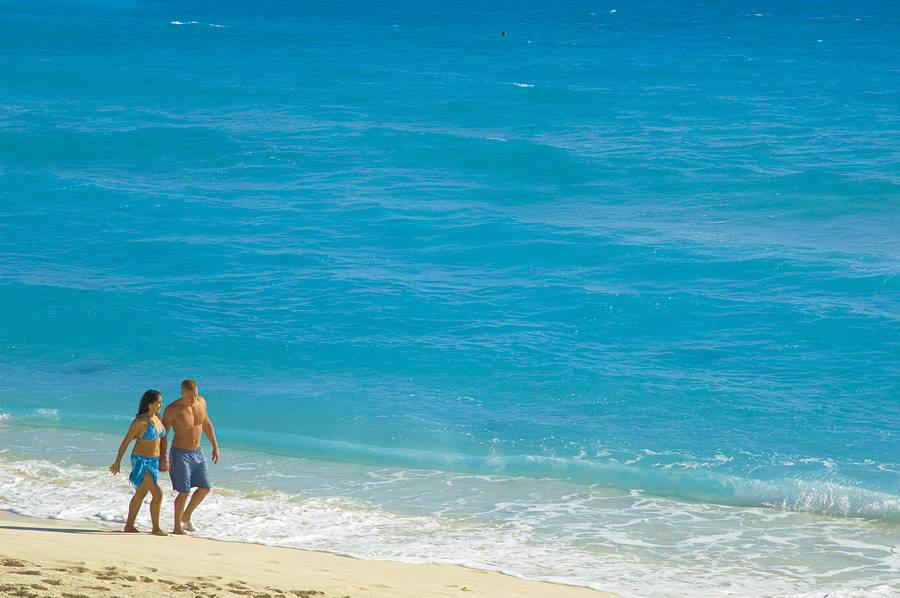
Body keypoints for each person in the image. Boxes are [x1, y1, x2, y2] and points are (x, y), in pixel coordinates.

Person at [159, 378, 220, 535]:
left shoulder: (201, 403)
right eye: (190, 396)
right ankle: (177, 527)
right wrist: (163, 457)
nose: (193, 398)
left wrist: (215, 446)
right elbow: (163, 435)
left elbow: (206, 424)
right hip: (180, 454)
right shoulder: (172, 409)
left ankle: (186, 516)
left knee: (205, 487)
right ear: (182, 393)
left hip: (197, 452)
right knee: (184, 491)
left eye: (195, 395)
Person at [109, 389, 169, 536]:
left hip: (154, 462)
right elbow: (126, 441)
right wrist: (117, 461)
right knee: (158, 493)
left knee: (141, 493)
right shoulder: (140, 422)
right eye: (158, 402)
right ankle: (156, 528)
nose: (161, 405)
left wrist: (163, 458)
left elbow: (160, 440)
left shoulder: (158, 418)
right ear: (150, 404)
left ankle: (129, 526)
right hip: (141, 461)